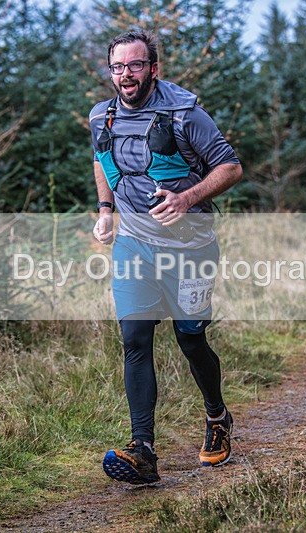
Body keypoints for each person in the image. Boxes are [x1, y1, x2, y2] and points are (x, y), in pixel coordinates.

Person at [89, 30, 242, 485]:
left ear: (152, 68)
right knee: (134, 339)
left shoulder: (184, 113)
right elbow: (100, 157)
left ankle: (217, 418)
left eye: (135, 66)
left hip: (191, 246)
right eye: (118, 67)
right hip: (134, 244)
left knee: (190, 338)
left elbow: (230, 166)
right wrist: (105, 210)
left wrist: (186, 198)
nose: (125, 75)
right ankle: (143, 451)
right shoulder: (104, 115)